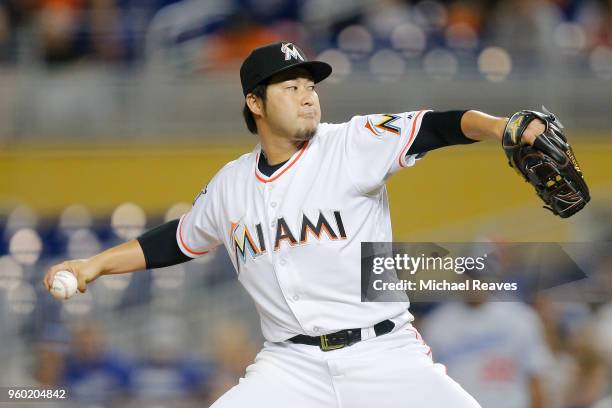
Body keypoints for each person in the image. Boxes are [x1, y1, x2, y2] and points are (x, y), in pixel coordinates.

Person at [44, 42, 545, 407]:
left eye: (311, 86)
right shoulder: (231, 184)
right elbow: (176, 240)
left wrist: (501, 127)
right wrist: (94, 265)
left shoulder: (350, 143)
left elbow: (439, 125)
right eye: (291, 87)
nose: (308, 96)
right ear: (255, 103)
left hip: (384, 353)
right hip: (289, 368)